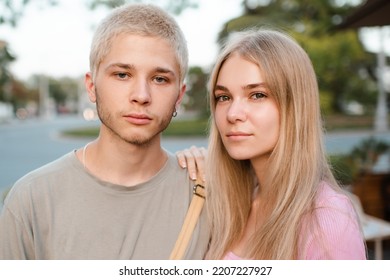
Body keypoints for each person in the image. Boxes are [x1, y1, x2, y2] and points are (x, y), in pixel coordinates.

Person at [0, 3, 209, 260]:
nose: (141, 96)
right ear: (91, 86)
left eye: (160, 79)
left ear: (179, 96)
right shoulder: (31, 199)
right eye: (122, 75)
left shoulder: (209, 193)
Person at [177, 28, 366, 260]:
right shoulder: (232, 204)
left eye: (257, 95)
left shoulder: (326, 219)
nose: (233, 114)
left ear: (294, 106)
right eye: (223, 97)